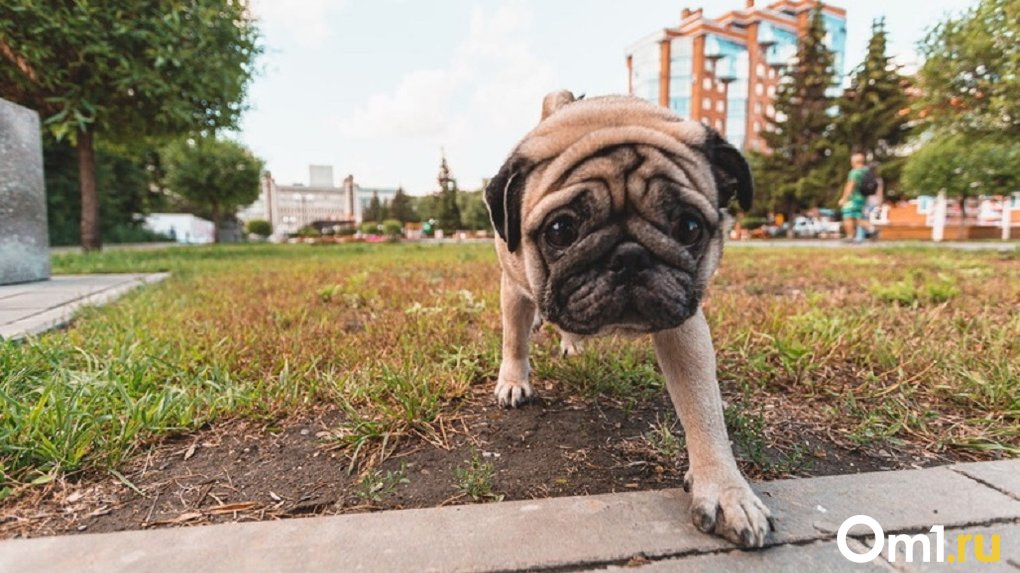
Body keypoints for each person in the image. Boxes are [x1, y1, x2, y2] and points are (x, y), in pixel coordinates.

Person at [838, 153, 869, 242]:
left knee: (848, 216)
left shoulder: (854, 172)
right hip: (863, 198)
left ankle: (850, 236)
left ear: (854, 162)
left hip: (854, 198)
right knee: (857, 216)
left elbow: (850, 186)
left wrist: (844, 198)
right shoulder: (866, 170)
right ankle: (871, 229)